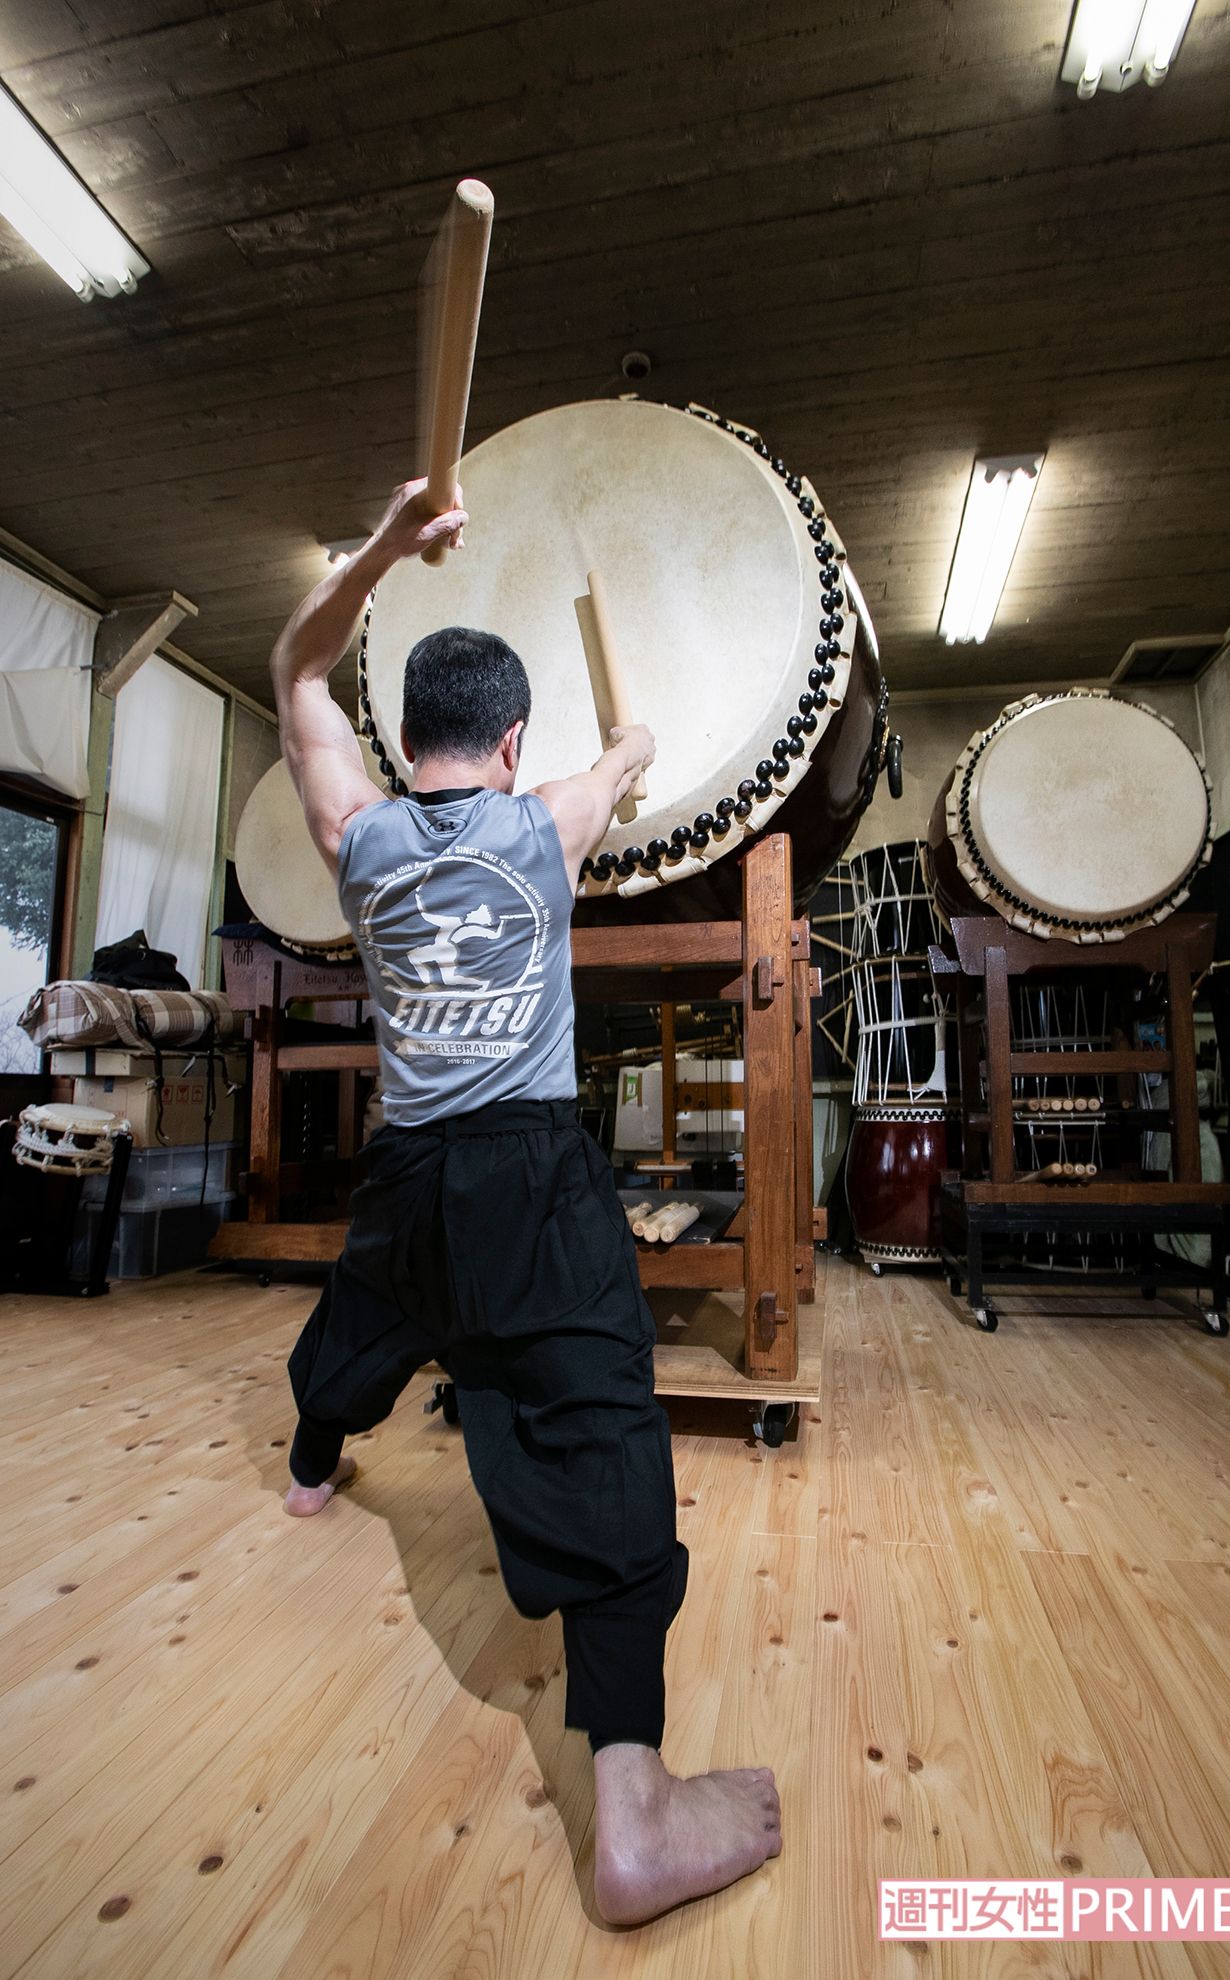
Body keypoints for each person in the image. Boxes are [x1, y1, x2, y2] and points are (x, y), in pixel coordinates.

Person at [270, 477, 781, 1926]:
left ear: (403, 741)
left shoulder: (355, 834)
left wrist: (383, 543)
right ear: (509, 743)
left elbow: (296, 669)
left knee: (370, 1315)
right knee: (601, 1415)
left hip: (411, 1174)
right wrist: (632, 745)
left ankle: (310, 1464)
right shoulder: (547, 823)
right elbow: (620, 762)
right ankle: (635, 1811)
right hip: (535, 1169)